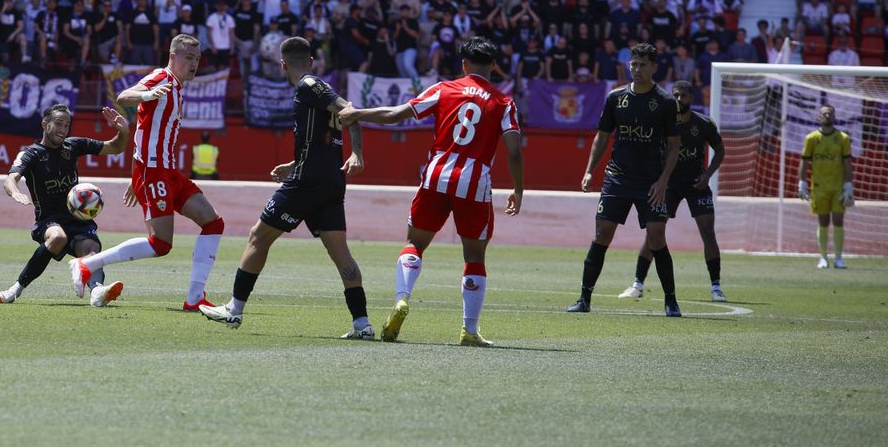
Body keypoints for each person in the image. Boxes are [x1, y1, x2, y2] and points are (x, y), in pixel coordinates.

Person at [337, 36, 523, 346]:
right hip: (475, 182)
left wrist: (359, 114)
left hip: (436, 174)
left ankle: (401, 298)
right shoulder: (504, 102)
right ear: (494, 66)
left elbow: (397, 114)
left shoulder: (444, 89)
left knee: (414, 243)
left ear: (463, 64)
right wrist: (518, 188)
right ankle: (469, 331)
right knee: (474, 256)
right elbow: (514, 152)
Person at [198, 37, 374, 338]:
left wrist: (357, 153)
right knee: (340, 254)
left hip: (307, 183)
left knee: (258, 236)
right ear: (311, 59)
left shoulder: (308, 85)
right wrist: (294, 164)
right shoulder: (315, 92)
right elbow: (328, 133)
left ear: (282, 64)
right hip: (329, 181)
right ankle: (362, 325)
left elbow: (350, 111)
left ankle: (234, 310)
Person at [69, 34, 225, 311]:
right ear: (173, 56)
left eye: (198, 59)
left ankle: (195, 298)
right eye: (189, 58)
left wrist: (133, 175)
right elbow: (123, 96)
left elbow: (143, 133)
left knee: (213, 223)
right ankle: (86, 264)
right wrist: (147, 94)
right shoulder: (162, 79)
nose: (194, 64)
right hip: (154, 171)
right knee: (161, 244)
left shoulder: (176, 87)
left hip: (167, 171)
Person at [568, 42, 682, 316]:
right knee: (601, 234)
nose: (637, 69)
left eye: (643, 64)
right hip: (617, 178)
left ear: (654, 68)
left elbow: (675, 145)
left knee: (656, 237)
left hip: (652, 182)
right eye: (634, 64)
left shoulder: (666, 102)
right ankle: (584, 299)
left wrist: (664, 180)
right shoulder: (615, 97)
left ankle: (671, 301)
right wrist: (588, 170)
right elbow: (602, 136)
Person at [0, 104, 130, 307]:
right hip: (48, 220)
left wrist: (124, 130)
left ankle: (97, 292)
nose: (63, 129)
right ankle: (15, 290)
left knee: (92, 248)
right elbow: (10, 179)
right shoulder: (31, 153)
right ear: (45, 124)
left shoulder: (73, 146)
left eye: (66, 125)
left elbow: (116, 147)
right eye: (58, 123)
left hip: (77, 220)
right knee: (58, 238)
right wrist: (15, 192)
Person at [618, 80, 728, 304]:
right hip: (667, 184)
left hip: (696, 183)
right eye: (676, 95)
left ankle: (716, 286)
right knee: (653, 232)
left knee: (708, 231)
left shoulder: (703, 123)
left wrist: (707, 174)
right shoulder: (661, 121)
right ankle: (638, 284)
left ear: (691, 98)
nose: (679, 100)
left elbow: (719, 148)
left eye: (684, 96)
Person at [799, 104, 854, 269]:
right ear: (819, 117)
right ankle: (823, 257)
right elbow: (804, 162)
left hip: (838, 187)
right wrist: (802, 183)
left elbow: (847, 163)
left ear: (835, 116)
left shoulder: (843, 138)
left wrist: (849, 184)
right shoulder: (811, 138)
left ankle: (838, 258)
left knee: (838, 220)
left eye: (830, 113)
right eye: (824, 113)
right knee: (823, 221)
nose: (827, 116)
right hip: (819, 187)